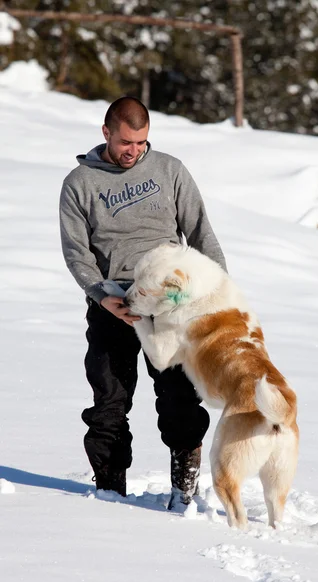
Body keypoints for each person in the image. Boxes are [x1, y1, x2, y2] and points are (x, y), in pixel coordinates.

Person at [59, 96, 226, 506]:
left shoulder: (169, 169)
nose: (133, 151)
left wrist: (217, 291)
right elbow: (77, 253)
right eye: (125, 143)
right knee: (109, 404)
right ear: (106, 133)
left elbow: (201, 233)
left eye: (141, 143)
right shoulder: (80, 183)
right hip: (114, 303)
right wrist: (101, 295)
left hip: (170, 302)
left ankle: (183, 493)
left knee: (180, 399)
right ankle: (110, 494)